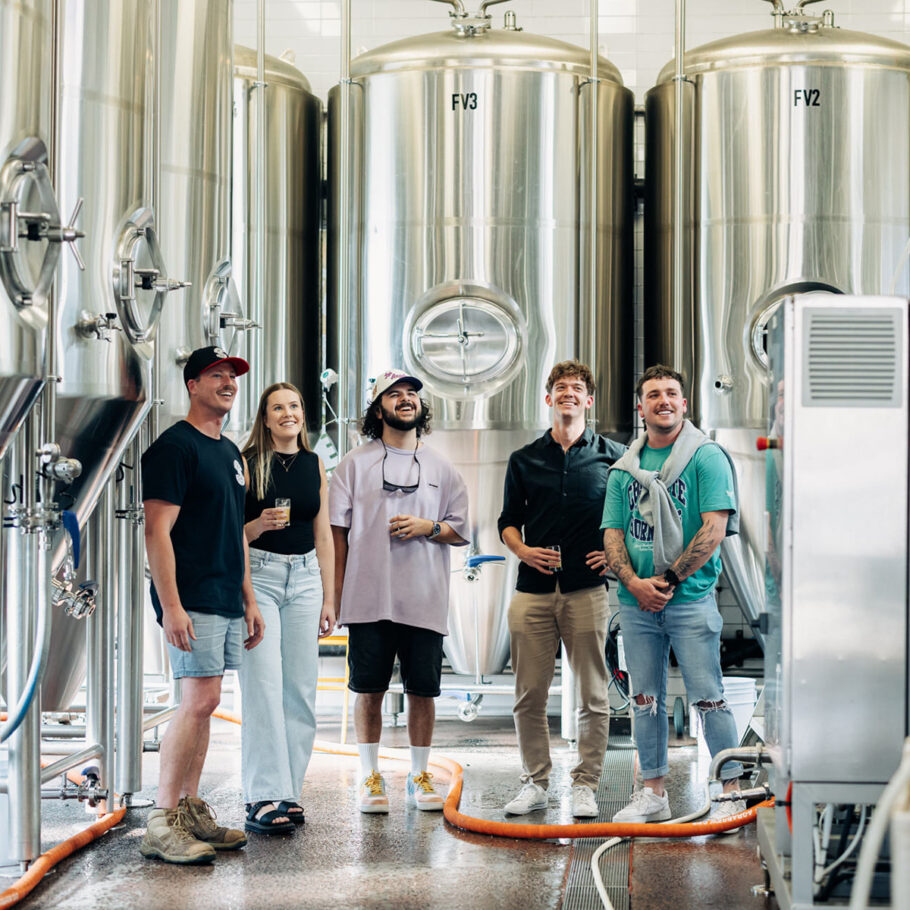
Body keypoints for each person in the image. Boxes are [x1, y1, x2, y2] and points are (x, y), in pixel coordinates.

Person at [601, 364, 745, 825]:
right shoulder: (625, 468)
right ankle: (653, 794)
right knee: (644, 699)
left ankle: (731, 791)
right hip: (636, 604)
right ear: (640, 407)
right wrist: (634, 584)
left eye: (670, 393)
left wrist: (669, 581)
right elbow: (612, 533)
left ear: (684, 403)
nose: (663, 400)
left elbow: (714, 528)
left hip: (690, 600)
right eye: (653, 394)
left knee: (709, 698)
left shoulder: (706, 457)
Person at [140, 346, 265, 864]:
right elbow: (156, 531)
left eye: (232, 375)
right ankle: (161, 820)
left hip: (224, 594)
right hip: (191, 595)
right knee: (196, 700)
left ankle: (190, 811)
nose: (228, 382)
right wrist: (171, 606)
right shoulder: (175, 447)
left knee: (208, 702)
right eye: (216, 375)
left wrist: (248, 597)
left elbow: (235, 532)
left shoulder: (231, 453)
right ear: (192, 384)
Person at [329, 369, 469, 814]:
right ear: (378, 409)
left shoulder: (441, 467)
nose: (406, 399)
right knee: (368, 689)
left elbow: (461, 529)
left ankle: (419, 774)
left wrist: (428, 527)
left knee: (422, 691)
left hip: (424, 599)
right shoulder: (354, 464)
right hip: (367, 600)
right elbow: (336, 535)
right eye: (394, 394)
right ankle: (369, 774)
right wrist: (334, 597)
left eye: (411, 394)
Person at [497, 360, 626, 818]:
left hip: (586, 590)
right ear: (549, 398)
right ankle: (535, 783)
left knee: (593, 696)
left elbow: (635, 516)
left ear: (589, 400)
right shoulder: (525, 459)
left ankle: (586, 785)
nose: (568, 393)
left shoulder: (615, 457)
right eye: (560, 387)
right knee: (529, 696)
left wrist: (614, 556)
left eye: (577, 388)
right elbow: (507, 521)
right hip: (532, 591)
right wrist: (523, 551)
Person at [239, 382, 336, 834]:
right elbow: (232, 531)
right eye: (277, 407)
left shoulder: (315, 464)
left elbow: (324, 535)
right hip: (260, 575)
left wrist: (329, 596)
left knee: (300, 689)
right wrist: (256, 526)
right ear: (265, 417)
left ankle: (289, 792)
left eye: (294, 405)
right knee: (263, 687)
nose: (287, 413)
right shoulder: (247, 462)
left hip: (306, 579)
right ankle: (262, 796)